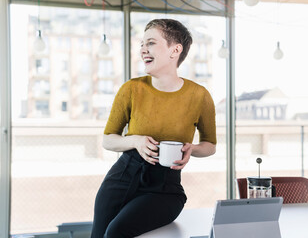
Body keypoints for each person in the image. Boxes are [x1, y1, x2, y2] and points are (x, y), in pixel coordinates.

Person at [91, 18, 217, 238]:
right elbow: (108, 140)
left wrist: (192, 149)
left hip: (165, 189)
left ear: (174, 50)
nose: (142, 50)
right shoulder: (131, 89)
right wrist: (135, 141)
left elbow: (210, 145)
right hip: (120, 179)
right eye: (142, 44)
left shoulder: (199, 95)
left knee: (116, 233)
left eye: (150, 43)